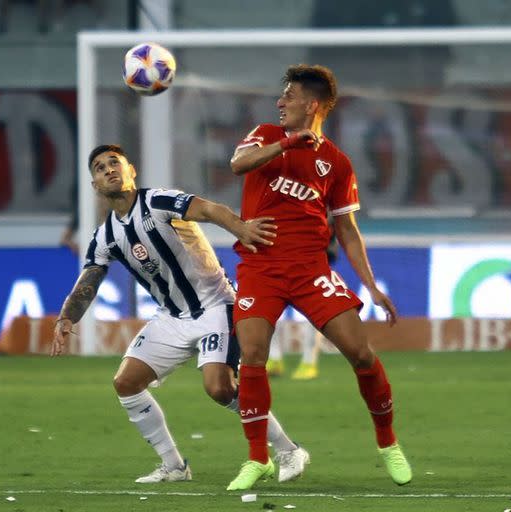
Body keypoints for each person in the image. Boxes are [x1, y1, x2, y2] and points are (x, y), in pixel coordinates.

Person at [51, 144, 309, 483]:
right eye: (99, 168)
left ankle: (289, 449)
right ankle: (174, 466)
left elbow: (208, 209)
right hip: (171, 317)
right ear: (95, 185)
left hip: (216, 305)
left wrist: (241, 229)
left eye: (115, 163)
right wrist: (67, 316)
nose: (109, 170)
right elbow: (90, 278)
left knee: (219, 388)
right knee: (126, 382)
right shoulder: (105, 236)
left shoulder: (158, 200)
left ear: (132, 171)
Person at [225, 64, 412, 491]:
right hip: (260, 267)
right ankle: (257, 459)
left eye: (287, 96)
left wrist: (372, 287)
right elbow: (238, 164)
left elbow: (347, 229)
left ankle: (388, 443)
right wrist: (286, 143)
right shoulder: (267, 136)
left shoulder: (338, 163)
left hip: (312, 270)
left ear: (310, 105)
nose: (279, 103)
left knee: (361, 353)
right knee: (251, 356)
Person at [266, 228, 339, 380]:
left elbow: (329, 228)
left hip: (312, 262)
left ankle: (309, 362)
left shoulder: (319, 206)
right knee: (269, 308)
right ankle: (274, 358)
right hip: (278, 258)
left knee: (315, 312)